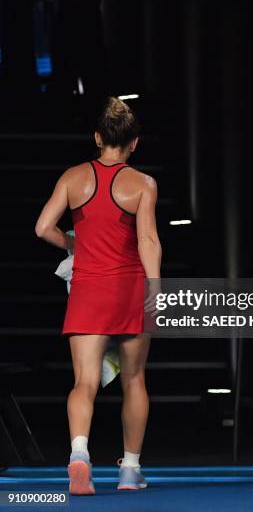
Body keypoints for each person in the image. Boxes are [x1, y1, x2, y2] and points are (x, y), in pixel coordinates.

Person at [34, 97, 162, 495]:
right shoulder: (142, 183)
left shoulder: (73, 178)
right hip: (129, 291)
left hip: (89, 292)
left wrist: (74, 243)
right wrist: (155, 288)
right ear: (134, 143)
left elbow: (42, 228)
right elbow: (147, 239)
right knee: (135, 379)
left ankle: (79, 455)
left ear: (97, 137)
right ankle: (130, 472)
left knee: (85, 381)